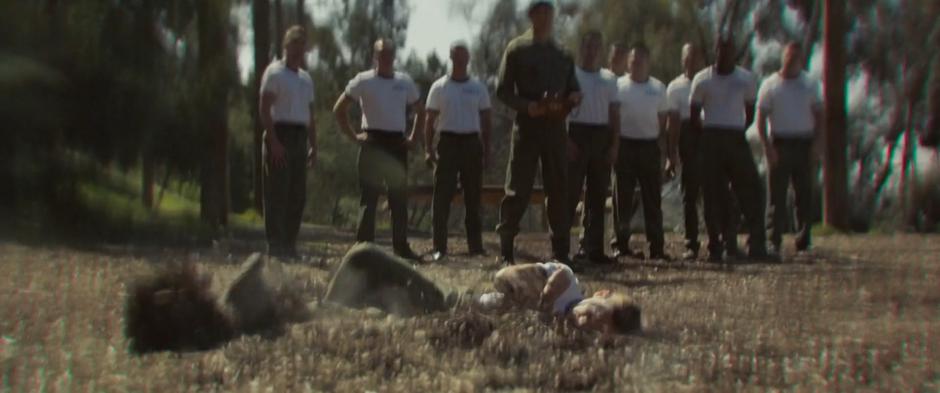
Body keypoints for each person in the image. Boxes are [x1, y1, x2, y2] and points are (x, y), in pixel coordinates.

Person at [495, 0, 581, 265]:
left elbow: (572, 88)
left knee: (558, 188)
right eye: (539, 11)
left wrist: (574, 97)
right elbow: (502, 90)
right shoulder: (517, 49)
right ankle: (507, 249)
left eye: (548, 11)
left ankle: (560, 251)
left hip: (555, 129)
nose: (544, 16)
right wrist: (527, 106)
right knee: (518, 188)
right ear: (531, 15)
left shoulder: (563, 54)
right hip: (528, 127)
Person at [333, 39, 424, 261]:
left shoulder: (404, 82)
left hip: (396, 144)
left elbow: (421, 111)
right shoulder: (363, 81)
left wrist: (413, 138)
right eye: (381, 54)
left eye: (390, 54)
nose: (386, 58)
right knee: (369, 198)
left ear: (394, 57)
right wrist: (353, 136)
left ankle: (401, 248)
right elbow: (339, 108)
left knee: (398, 199)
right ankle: (363, 249)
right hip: (372, 141)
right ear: (374, 56)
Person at [690, 36, 772, 262]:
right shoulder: (702, 80)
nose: (724, 55)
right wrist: (710, 132)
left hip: (736, 137)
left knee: (750, 189)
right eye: (720, 50)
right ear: (715, 52)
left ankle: (757, 244)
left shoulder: (745, 79)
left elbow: (750, 112)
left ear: (734, 53)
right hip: (711, 137)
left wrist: (736, 129)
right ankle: (719, 245)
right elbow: (694, 114)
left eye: (729, 51)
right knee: (713, 194)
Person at [424, 41, 493, 261]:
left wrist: (487, 150)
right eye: (457, 56)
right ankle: (439, 248)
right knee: (442, 197)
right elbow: (429, 120)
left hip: (472, 144)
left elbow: (486, 120)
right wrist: (428, 148)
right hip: (448, 143)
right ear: (451, 57)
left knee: (473, 197)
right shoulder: (440, 87)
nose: (461, 61)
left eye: (464, 57)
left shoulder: (478, 88)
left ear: (469, 59)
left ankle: (475, 246)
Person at [756, 42, 822, 254]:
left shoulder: (810, 84)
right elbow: (761, 118)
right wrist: (767, 147)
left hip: (804, 143)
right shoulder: (770, 84)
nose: (792, 61)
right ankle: (772, 240)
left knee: (804, 194)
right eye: (789, 57)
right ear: (783, 58)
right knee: (776, 195)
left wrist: (817, 145)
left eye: (797, 58)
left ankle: (803, 240)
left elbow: (820, 116)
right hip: (780, 143)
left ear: (801, 60)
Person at [259, 25, 317, 259]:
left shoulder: (305, 79)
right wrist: (273, 141)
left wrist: (314, 146)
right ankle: (275, 245)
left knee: (296, 194)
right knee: (277, 192)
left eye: (302, 45)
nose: (298, 49)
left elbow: (311, 116)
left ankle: (290, 244)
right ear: (286, 45)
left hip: (299, 136)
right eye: (294, 43)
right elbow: (264, 108)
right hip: (280, 133)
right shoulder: (274, 73)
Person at [612, 43, 672, 260]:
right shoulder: (618, 86)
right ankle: (620, 244)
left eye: (640, 61)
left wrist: (665, 155)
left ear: (648, 62)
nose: (636, 65)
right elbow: (613, 117)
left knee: (652, 199)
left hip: (649, 146)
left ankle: (656, 247)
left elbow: (663, 122)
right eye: (633, 61)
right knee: (623, 198)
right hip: (625, 146)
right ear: (628, 62)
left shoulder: (658, 88)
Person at [567, 31, 620, 265]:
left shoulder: (609, 79)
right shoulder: (571, 75)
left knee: (597, 195)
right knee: (569, 193)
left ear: (601, 51)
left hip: (601, 135)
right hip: (576, 134)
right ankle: (562, 248)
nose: (591, 52)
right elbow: (561, 111)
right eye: (587, 47)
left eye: (595, 48)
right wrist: (566, 141)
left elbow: (615, 114)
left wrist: (614, 144)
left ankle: (593, 249)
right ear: (581, 49)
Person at [479, 262, 642, 336]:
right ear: (600, 294)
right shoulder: (568, 286)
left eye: (594, 330)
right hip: (494, 297)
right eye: (590, 314)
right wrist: (546, 291)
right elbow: (503, 278)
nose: (583, 323)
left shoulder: (567, 332)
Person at [666, 43, 706, 260]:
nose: (691, 61)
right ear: (682, 60)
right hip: (688, 138)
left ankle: (720, 241)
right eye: (687, 57)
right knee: (689, 195)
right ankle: (692, 243)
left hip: (708, 137)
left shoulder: (709, 81)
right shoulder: (675, 87)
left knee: (713, 192)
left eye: (694, 57)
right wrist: (671, 153)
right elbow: (672, 123)